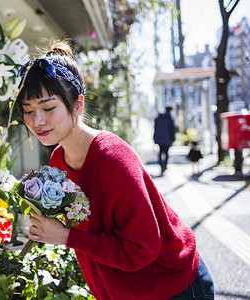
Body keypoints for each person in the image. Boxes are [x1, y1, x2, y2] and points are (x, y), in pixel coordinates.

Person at [15, 40, 214, 300]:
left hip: (172, 287)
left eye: (48, 108)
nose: (36, 121)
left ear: (77, 105)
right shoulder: (58, 161)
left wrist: (66, 236)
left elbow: (141, 248)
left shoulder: (112, 159)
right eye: (28, 110)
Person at [153, 105, 176, 174]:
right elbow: (172, 130)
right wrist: (173, 138)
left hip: (159, 138)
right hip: (167, 138)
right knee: (166, 152)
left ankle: (161, 165)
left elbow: (155, 128)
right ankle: (165, 166)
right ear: (170, 110)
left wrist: (154, 137)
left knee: (160, 152)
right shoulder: (170, 119)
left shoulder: (158, 118)